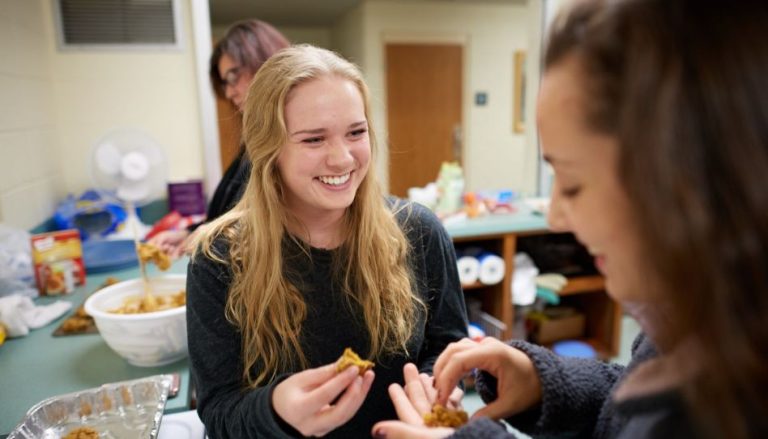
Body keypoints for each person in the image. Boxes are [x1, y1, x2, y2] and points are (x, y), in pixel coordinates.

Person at [372, 0, 768, 438]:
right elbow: (630, 407)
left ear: (695, 181)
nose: (557, 217)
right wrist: (541, 383)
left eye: (574, 183)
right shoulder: (690, 323)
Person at [186, 44, 469, 438]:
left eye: (356, 132)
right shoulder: (219, 259)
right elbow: (218, 409)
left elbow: (448, 346)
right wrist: (273, 409)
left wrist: (434, 387)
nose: (342, 159)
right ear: (269, 149)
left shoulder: (419, 233)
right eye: (314, 140)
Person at [150, 19, 289, 258]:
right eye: (225, 83)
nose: (229, 92)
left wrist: (210, 233)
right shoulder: (254, 140)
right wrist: (189, 233)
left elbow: (284, 218)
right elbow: (233, 210)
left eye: (234, 77)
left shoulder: (293, 136)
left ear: (265, 63)